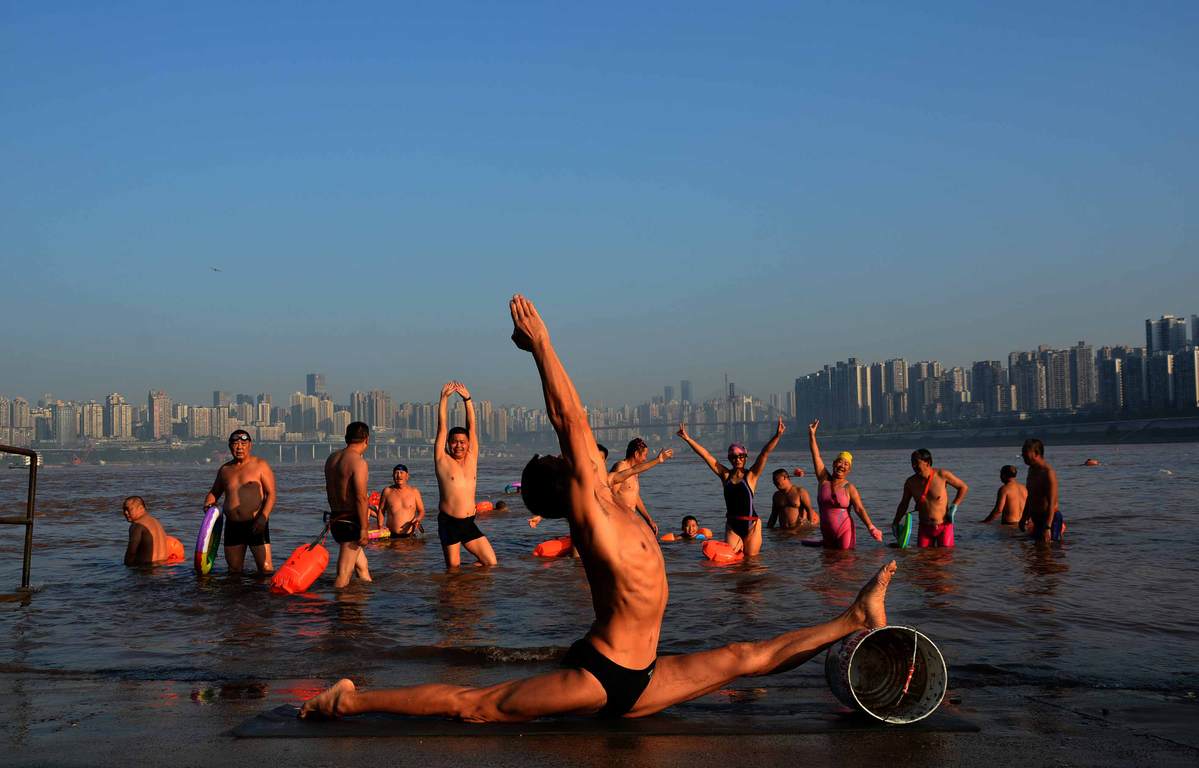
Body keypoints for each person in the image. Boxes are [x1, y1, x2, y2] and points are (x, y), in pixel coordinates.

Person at [301, 294, 898, 722]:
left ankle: (853, 618)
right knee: (478, 706)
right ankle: (347, 699)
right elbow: (571, 418)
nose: (571, 458)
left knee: (746, 656)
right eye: (558, 461)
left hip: (640, 673)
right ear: (562, 482)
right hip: (601, 673)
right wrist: (541, 346)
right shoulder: (588, 505)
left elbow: (584, 440)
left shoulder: (610, 499)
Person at [676, 417, 785, 557]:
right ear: (729, 459)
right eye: (734, 457)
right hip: (732, 526)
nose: (737, 459)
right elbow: (706, 456)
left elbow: (764, 454)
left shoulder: (751, 476)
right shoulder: (725, 476)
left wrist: (777, 436)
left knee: (751, 563)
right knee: (731, 565)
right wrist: (687, 438)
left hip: (751, 525)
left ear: (745, 457)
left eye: (741, 456)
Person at [435, 381, 498, 568]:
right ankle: (455, 593)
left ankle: (466, 586)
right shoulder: (442, 459)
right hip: (449, 522)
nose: (459, 445)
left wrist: (467, 400)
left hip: (469, 523)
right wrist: (443, 399)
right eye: (454, 442)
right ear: (448, 444)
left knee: (490, 563)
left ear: (468, 444)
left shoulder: (472, 458)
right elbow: (442, 427)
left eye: (462, 442)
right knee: (453, 569)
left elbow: (472, 427)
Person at [203, 429, 277, 574]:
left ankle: (265, 597)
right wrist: (208, 504)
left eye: (243, 443)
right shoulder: (225, 470)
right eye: (235, 444)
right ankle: (237, 597)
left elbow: (271, 494)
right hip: (232, 525)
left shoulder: (260, 465)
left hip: (256, 523)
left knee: (265, 568)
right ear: (230, 446)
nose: (239, 447)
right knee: (234, 570)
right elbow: (214, 492)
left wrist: (263, 518)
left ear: (250, 445)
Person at [807, 420, 883, 548]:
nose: (842, 466)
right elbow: (816, 456)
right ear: (833, 463)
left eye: (846, 464)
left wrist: (871, 527)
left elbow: (859, 509)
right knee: (827, 564)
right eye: (840, 462)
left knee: (846, 564)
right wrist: (812, 435)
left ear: (849, 470)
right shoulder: (823, 479)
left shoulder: (849, 488)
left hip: (845, 531)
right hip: (827, 533)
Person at [324, 421, 373, 588]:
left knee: (362, 566)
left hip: (336, 519)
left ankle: (365, 604)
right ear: (367, 439)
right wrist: (364, 529)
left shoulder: (332, 459)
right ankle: (340, 611)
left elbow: (330, 490)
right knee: (343, 575)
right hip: (350, 522)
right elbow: (360, 497)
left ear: (346, 438)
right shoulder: (358, 463)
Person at [893, 448, 969, 549]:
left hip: (944, 526)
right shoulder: (910, 482)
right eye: (912, 462)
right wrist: (895, 522)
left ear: (927, 462)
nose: (913, 466)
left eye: (916, 463)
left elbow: (963, 487)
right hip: (924, 528)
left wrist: (954, 506)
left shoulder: (942, 475)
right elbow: (904, 504)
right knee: (923, 559)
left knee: (945, 557)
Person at [609, 438, 673, 534]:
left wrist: (649, 520)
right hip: (619, 519)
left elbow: (635, 497)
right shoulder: (620, 467)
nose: (645, 459)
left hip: (630, 518)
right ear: (636, 454)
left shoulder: (635, 472)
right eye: (645, 455)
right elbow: (611, 497)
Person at [1019, 438, 1065, 542]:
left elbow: (1052, 503)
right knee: (1037, 552)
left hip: (1050, 520)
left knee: (1049, 552)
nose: (1023, 456)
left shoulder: (1048, 473)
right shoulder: (1031, 470)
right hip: (1036, 519)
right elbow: (1030, 497)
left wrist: (1048, 527)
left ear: (1036, 453)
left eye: (1025, 453)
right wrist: (1024, 517)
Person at [122, 496, 184, 566]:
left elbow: (131, 552)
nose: (125, 512)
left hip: (147, 569)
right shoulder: (156, 522)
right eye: (124, 509)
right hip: (162, 568)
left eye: (128, 509)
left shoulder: (137, 525)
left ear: (141, 508)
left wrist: (126, 568)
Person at [379, 464, 426, 537]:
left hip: (410, 535)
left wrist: (417, 519)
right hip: (391, 535)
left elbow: (422, 511)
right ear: (393, 476)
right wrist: (380, 526)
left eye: (401, 472)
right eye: (396, 473)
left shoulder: (414, 492)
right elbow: (381, 510)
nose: (398, 475)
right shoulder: (387, 491)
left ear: (407, 476)